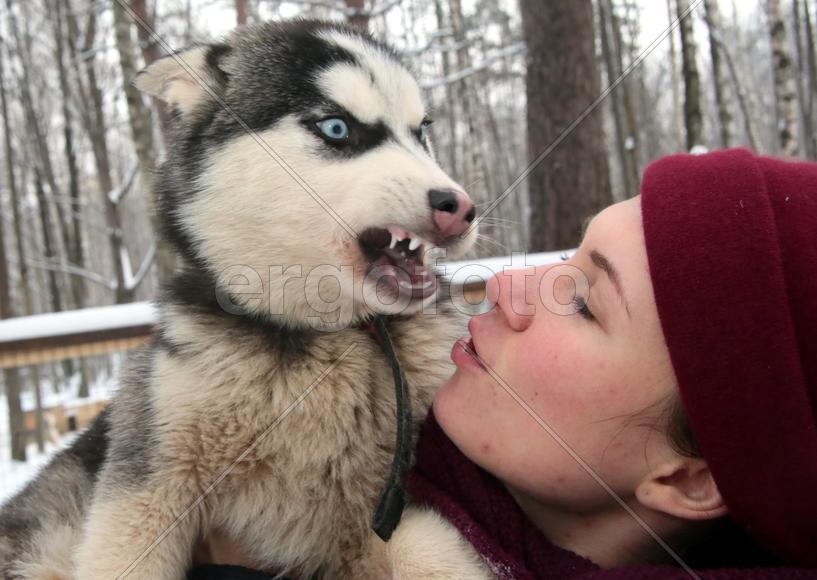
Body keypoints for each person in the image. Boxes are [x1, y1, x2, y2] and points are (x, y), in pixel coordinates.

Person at [190, 149, 817, 578]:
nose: (507, 285)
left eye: (582, 303)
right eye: (568, 255)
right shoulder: (247, 491)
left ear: (690, 481)